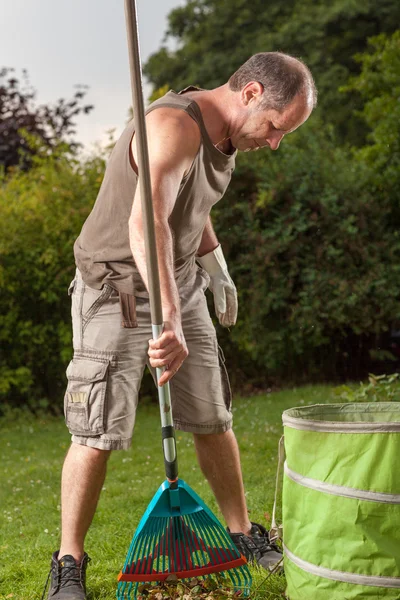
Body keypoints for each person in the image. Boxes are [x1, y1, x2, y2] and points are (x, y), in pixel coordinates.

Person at [44, 52, 317, 599]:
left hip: (182, 280)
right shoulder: (169, 127)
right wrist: (167, 315)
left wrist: (216, 267)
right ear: (251, 93)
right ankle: (67, 563)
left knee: (214, 416)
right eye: (275, 127)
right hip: (116, 288)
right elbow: (147, 222)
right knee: (97, 431)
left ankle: (239, 534)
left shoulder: (225, 135)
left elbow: (193, 204)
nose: (274, 143)